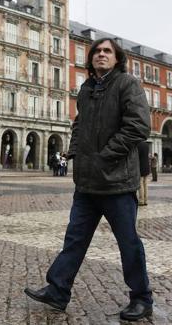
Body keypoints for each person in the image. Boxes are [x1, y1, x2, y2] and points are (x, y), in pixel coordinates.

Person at [24, 38, 153, 321]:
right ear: (91, 58)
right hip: (87, 183)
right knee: (74, 240)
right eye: (96, 51)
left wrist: (105, 156)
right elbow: (79, 123)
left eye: (107, 51)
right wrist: (75, 150)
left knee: (128, 243)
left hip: (117, 182)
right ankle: (58, 290)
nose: (100, 55)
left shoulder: (127, 84)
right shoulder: (86, 89)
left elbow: (138, 126)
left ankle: (142, 298)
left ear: (117, 58)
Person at [137, 141, 150, 206]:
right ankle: (146, 200)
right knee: (145, 184)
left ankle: (141, 200)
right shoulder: (146, 145)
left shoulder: (137, 145)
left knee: (140, 184)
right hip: (146, 166)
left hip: (140, 166)